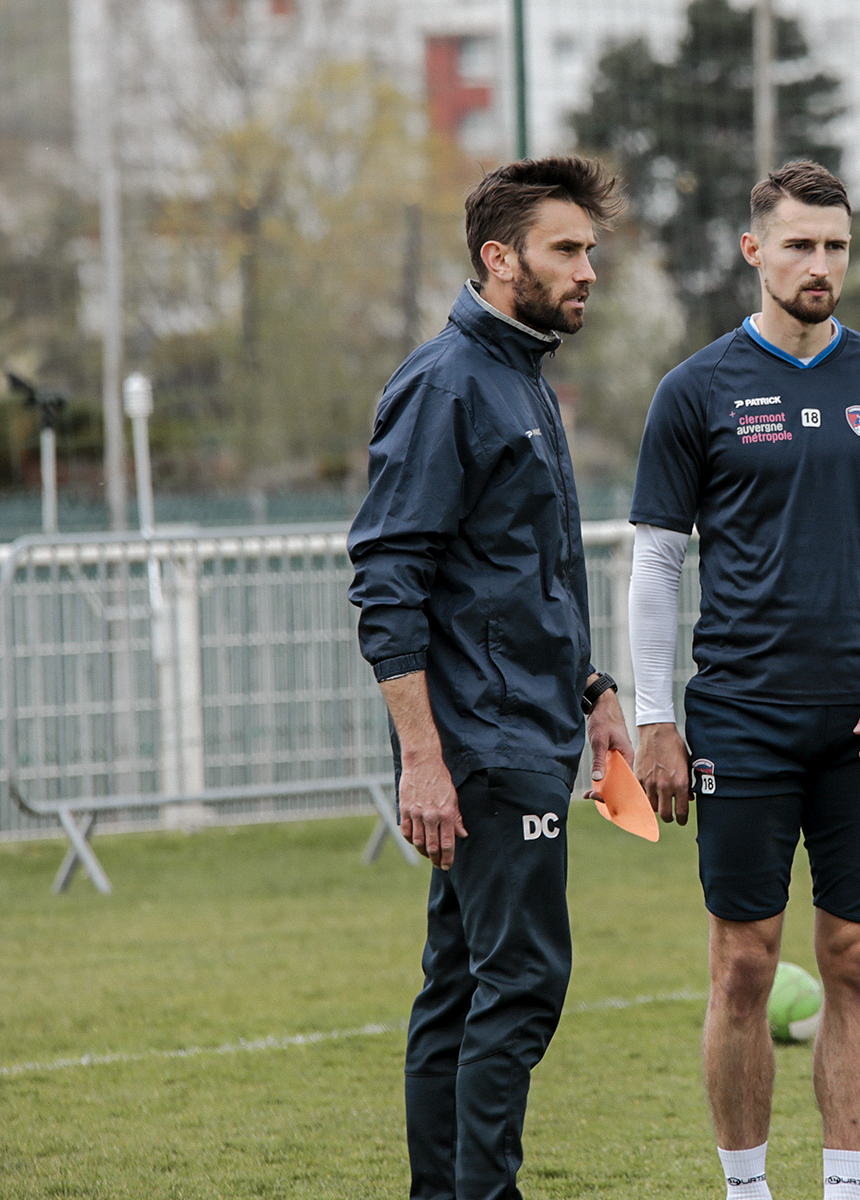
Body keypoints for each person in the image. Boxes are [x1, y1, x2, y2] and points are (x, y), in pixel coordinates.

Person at [628, 160, 860, 1200]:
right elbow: (656, 563)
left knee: (856, 961)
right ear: (753, 250)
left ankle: (846, 1192)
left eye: (837, 246)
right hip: (738, 719)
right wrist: (653, 718)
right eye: (800, 245)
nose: (820, 265)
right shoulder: (695, 390)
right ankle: (746, 1191)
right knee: (744, 967)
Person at [348, 155, 633, 1200]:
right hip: (482, 747)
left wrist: (595, 691)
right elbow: (389, 578)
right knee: (519, 986)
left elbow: (522, 579)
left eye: (590, 249)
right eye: (567, 248)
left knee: (462, 985)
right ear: (498, 258)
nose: (588, 268)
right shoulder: (446, 383)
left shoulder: (521, 378)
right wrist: (424, 758)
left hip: (527, 728)